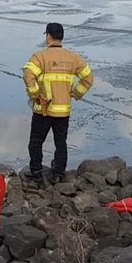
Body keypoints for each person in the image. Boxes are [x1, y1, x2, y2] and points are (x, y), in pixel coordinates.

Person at [21, 22, 94, 184]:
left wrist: (35, 95)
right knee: (60, 142)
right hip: (63, 111)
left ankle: (36, 171)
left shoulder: (39, 57)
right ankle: (59, 172)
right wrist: (75, 93)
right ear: (61, 37)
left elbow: (28, 76)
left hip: (43, 109)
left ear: (48, 36)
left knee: (36, 141)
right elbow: (88, 78)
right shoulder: (73, 58)